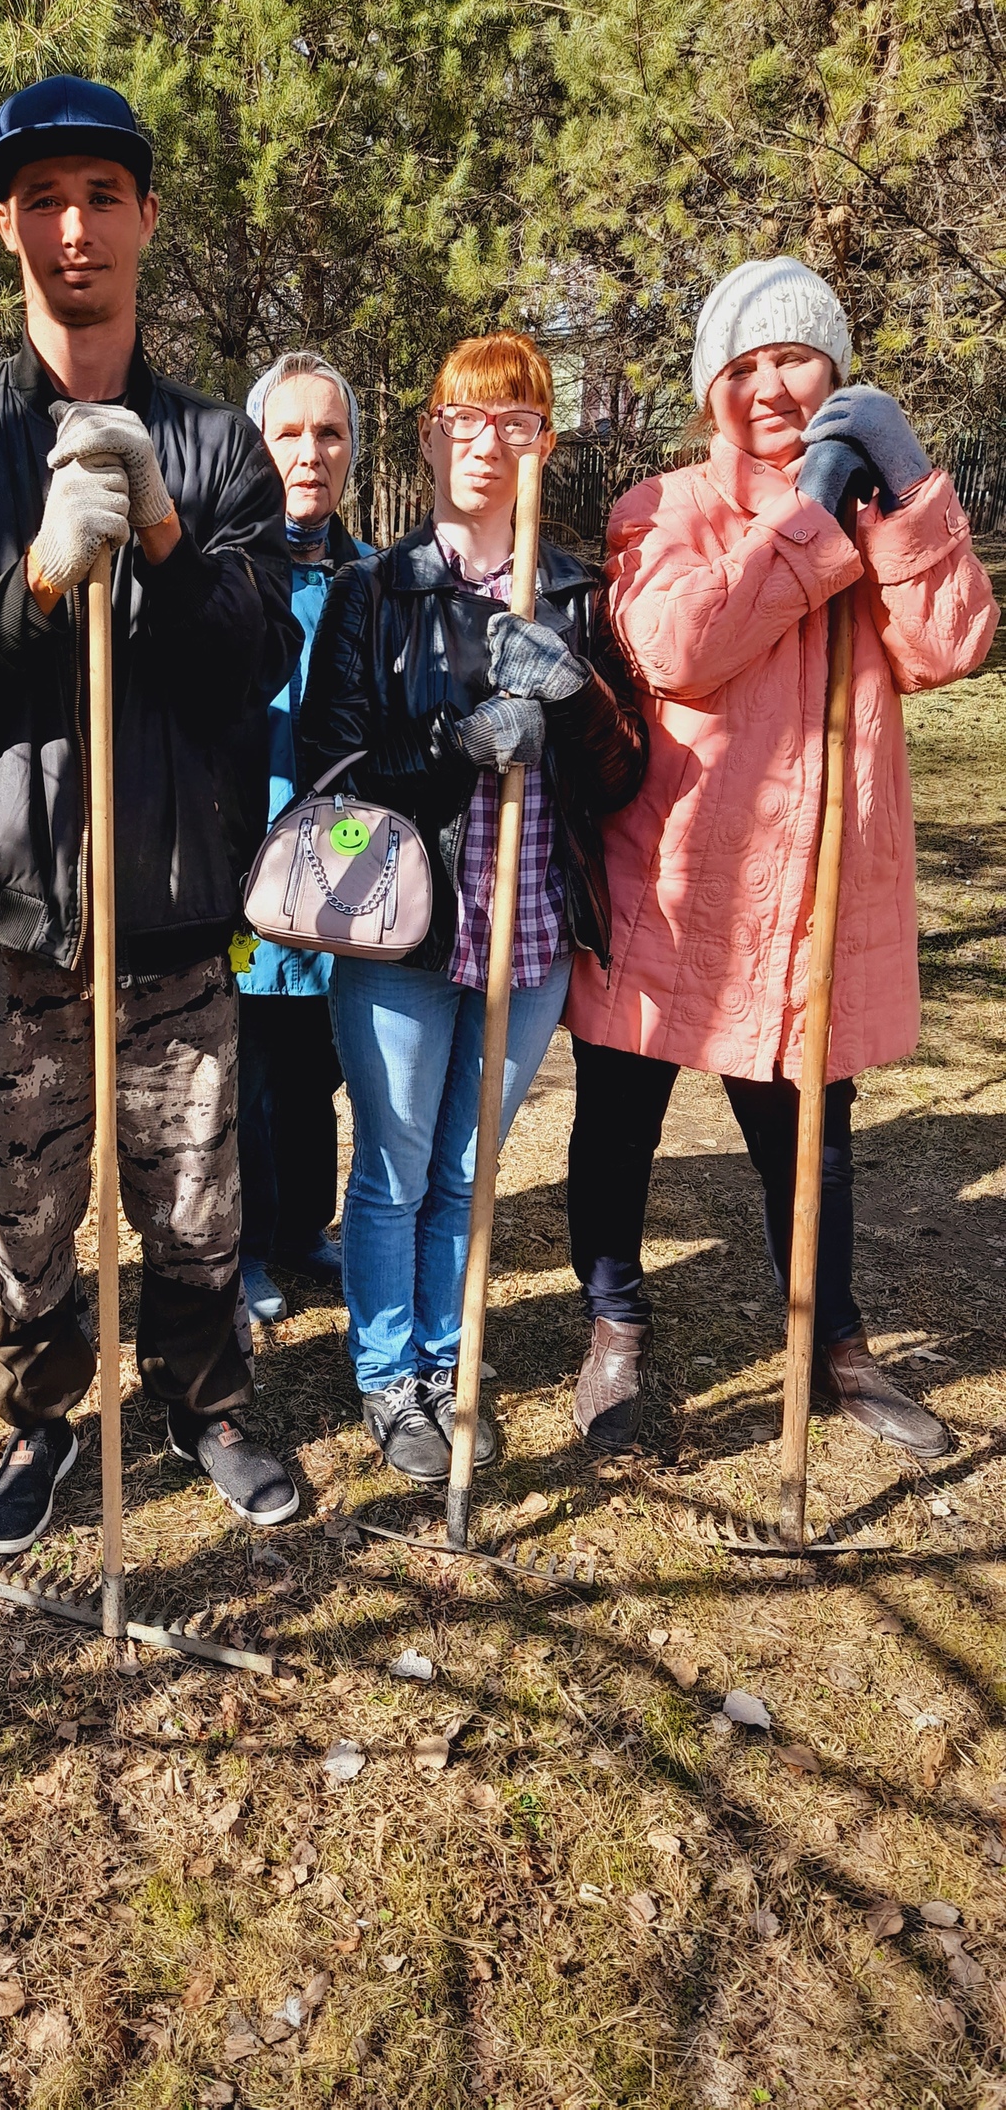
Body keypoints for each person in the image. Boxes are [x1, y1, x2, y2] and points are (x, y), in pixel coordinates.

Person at [0, 76, 303, 1552]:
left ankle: (204, 1401)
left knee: (194, 1206)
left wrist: (165, 536)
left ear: (146, 216)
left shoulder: (223, 445)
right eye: (42, 198)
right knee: (27, 1225)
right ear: (4, 224)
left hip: (173, 920)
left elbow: (250, 659)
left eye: (103, 196)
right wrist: (35, 581)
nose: (74, 226)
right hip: (8, 926)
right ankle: (43, 1422)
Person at [564, 256, 999, 1455]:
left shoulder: (875, 527)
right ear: (710, 392)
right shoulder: (664, 507)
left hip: (809, 908)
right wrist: (810, 516)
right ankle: (615, 1324)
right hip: (674, 890)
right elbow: (679, 644)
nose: (769, 386)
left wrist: (905, 491)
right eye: (742, 367)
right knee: (616, 1126)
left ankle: (834, 1344)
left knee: (815, 1141)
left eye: (795, 358)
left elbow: (954, 642)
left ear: (838, 372)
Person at [298, 331, 647, 1482]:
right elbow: (334, 775)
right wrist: (456, 744)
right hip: (406, 934)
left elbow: (628, 770)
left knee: (467, 1171)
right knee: (393, 1172)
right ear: (432, 436)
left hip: (532, 934)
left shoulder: (581, 594)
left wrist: (581, 695)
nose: (487, 440)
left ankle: (449, 1362)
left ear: (545, 442)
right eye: (464, 416)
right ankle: (390, 1379)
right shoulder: (377, 592)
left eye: (515, 420)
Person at [234, 352, 370, 1326]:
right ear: (258, 444)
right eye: (289, 432)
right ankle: (238, 1244)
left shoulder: (371, 580)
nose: (309, 452)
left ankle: (298, 1230)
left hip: (342, 868)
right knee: (243, 1057)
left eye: (328, 433)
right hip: (242, 869)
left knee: (317, 1059)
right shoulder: (226, 571)